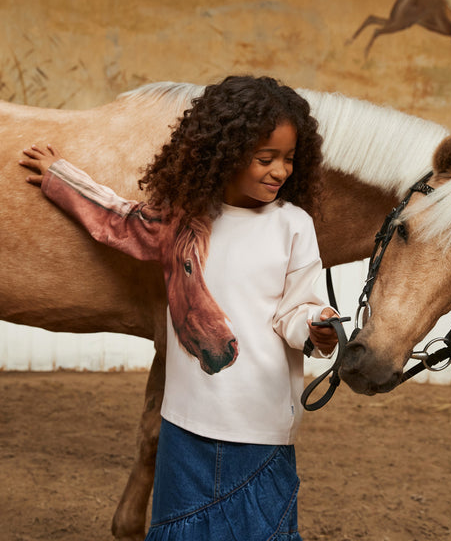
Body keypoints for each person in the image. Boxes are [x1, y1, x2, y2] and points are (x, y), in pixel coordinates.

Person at [19, 75, 339, 540]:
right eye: (265, 158)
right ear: (225, 152)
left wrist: (317, 327)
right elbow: (117, 219)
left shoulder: (293, 225)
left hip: (262, 421)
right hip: (185, 421)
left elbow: (299, 307)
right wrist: (59, 177)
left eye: (289, 159)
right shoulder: (182, 221)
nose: (279, 171)